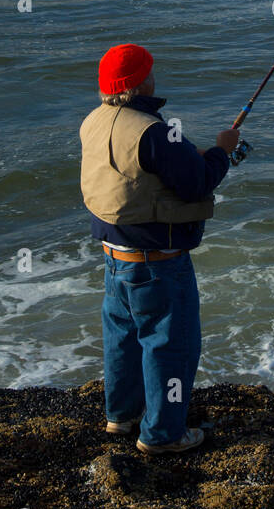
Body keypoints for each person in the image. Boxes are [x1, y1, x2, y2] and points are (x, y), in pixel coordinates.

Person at [79, 42, 238, 455]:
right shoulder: (156, 132)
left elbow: (137, 169)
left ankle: (122, 416)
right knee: (170, 348)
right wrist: (223, 149)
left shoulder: (94, 121)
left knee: (123, 341)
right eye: (151, 71)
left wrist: (192, 154)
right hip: (158, 265)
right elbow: (199, 182)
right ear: (142, 82)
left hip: (114, 259)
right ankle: (163, 435)